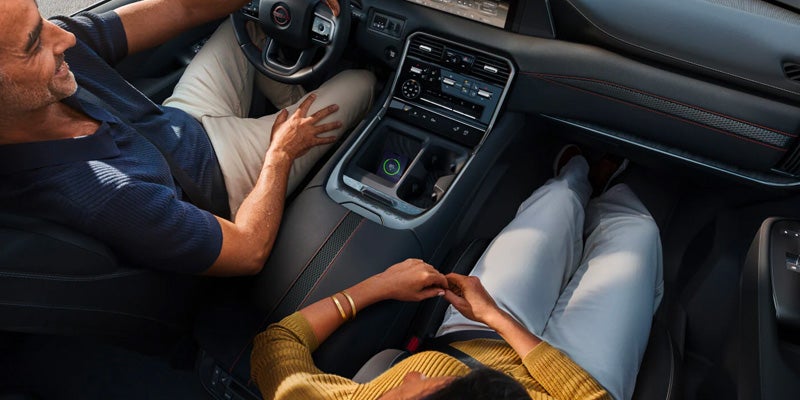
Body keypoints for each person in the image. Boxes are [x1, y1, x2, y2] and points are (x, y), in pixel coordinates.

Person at [250, 148, 664, 400]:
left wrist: (380, 285)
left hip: (476, 339)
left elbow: (275, 346)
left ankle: (576, 180)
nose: (412, 372)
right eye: (433, 389)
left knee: (556, 203)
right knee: (638, 233)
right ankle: (601, 191)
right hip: (573, 373)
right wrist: (497, 316)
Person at [0, 0, 375, 276]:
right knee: (364, 81)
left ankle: (297, 108)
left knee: (254, 17)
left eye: (42, 19)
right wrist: (281, 154)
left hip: (182, 118)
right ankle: (298, 127)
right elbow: (247, 251)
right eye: (34, 43)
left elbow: (183, 8)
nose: (64, 36)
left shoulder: (56, 61)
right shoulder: (100, 196)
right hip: (223, 176)